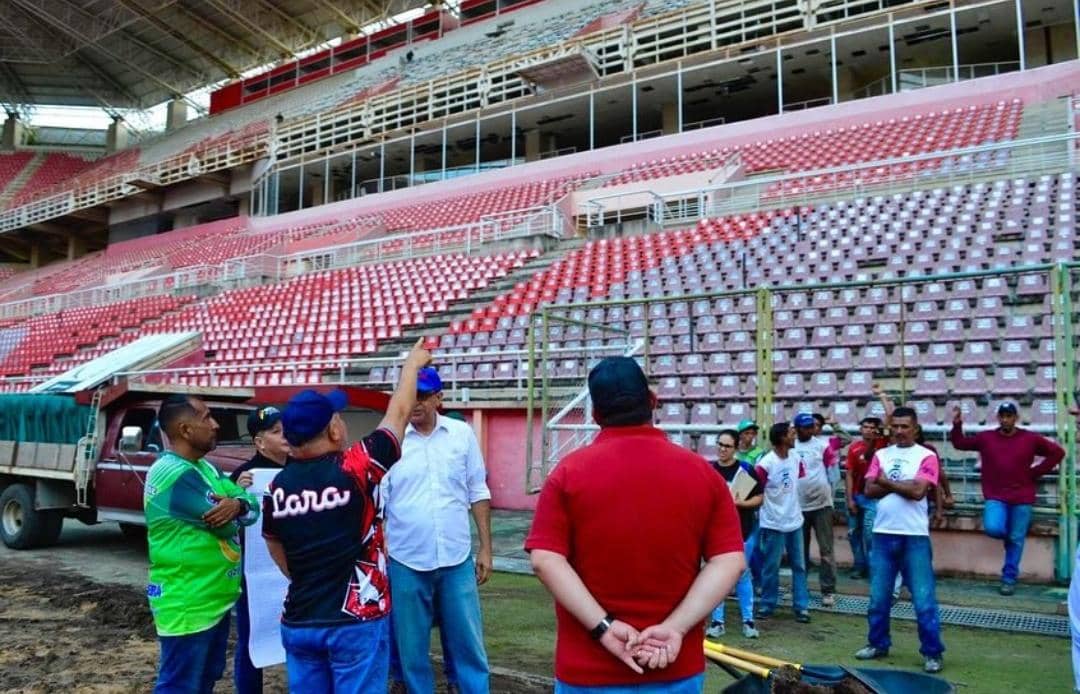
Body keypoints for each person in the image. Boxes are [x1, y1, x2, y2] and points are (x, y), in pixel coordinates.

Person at [525, 356, 745, 692]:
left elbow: (544, 559)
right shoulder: (703, 474)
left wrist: (603, 627)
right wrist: (676, 628)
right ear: (652, 402)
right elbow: (730, 560)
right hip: (675, 666)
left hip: (588, 670)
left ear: (596, 415)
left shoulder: (567, 474)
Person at [261, 339, 430, 693]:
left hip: (300, 619)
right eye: (338, 417)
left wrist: (310, 577)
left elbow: (274, 546)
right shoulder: (357, 466)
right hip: (355, 621)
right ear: (334, 430)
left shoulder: (276, 487)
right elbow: (397, 415)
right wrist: (411, 367)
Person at [384, 367, 492, 694]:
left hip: (456, 558)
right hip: (405, 560)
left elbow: (478, 489)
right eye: (410, 396)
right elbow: (378, 499)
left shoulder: (461, 434)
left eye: (423, 396)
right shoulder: (390, 441)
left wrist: (486, 547)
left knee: (468, 643)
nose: (415, 403)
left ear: (438, 398)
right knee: (412, 649)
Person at [144, 394, 261, 694]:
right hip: (188, 605)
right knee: (180, 685)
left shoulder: (205, 469)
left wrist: (237, 504)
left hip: (212, 602)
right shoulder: (173, 474)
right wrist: (238, 508)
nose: (215, 424)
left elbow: (249, 506)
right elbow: (224, 528)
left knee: (204, 681)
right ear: (185, 429)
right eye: (207, 417)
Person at [855, 406, 945, 674]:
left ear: (915, 429)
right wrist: (901, 484)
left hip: (914, 536)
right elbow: (869, 489)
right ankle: (877, 643)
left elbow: (919, 492)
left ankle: (932, 652)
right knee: (878, 597)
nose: (899, 431)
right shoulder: (881, 454)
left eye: (905, 426)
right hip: (883, 534)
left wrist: (888, 482)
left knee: (923, 599)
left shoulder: (927, 455)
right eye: (895, 426)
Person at [951, 402, 1064, 595]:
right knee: (994, 527)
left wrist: (1035, 472)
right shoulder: (987, 438)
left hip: (1022, 496)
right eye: (1002, 416)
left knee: (1017, 539)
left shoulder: (1029, 438)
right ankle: (1010, 540)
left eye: (1009, 416)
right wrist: (957, 424)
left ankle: (1009, 578)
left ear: (1016, 418)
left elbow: (1057, 453)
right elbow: (960, 443)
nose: (1005, 419)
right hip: (996, 494)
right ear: (998, 418)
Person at [230, 406, 290, 694]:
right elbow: (229, 524)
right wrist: (237, 495)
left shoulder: (300, 468)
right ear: (259, 442)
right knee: (251, 641)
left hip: (294, 571)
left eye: (286, 429)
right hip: (254, 577)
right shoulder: (244, 477)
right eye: (277, 432)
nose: (285, 437)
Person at [706, 429, 763, 640]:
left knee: (743, 574)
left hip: (744, 530)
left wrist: (741, 503)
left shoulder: (746, 470)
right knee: (717, 576)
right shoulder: (710, 470)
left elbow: (760, 498)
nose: (722, 449)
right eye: (719, 444)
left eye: (727, 446)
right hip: (717, 533)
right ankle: (717, 622)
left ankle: (748, 621)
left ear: (736, 448)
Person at [753, 421, 810, 623]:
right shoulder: (766, 464)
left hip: (794, 520)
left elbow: (799, 479)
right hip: (773, 522)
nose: (795, 436)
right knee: (771, 566)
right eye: (792, 433)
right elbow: (754, 487)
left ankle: (802, 606)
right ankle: (768, 604)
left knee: (800, 565)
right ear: (782, 438)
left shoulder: (796, 458)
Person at [793, 412, 837, 608]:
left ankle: (828, 590)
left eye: (811, 426)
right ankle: (800, 589)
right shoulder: (790, 446)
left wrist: (831, 496)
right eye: (805, 426)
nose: (809, 430)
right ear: (797, 428)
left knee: (826, 550)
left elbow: (833, 472)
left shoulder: (823, 446)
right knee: (799, 552)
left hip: (821, 505)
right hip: (797, 506)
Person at [845, 417, 884, 580]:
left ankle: (873, 567)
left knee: (869, 534)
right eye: (865, 427)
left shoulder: (882, 446)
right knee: (853, 533)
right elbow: (848, 474)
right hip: (857, 495)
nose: (867, 430)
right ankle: (859, 565)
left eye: (871, 427)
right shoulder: (854, 448)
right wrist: (850, 499)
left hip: (873, 498)